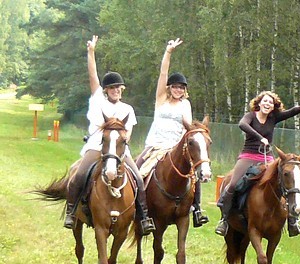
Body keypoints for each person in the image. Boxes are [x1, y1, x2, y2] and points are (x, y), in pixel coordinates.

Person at [64, 35, 155, 235]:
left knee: (138, 179)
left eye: (118, 88)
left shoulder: (127, 109)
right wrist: (91, 52)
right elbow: (92, 76)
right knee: (79, 175)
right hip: (97, 147)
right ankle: (71, 212)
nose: (116, 91)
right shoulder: (98, 100)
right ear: (106, 90)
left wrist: (123, 141)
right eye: (112, 88)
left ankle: (143, 217)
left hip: (120, 150)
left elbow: (128, 132)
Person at [134, 38, 208, 228]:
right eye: (175, 86)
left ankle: (197, 209)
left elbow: (188, 127)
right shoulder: (161, 100)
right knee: (136, 171)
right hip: (155, 145)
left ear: (185, 90)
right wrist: (168, 52)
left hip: (176, 146)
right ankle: (141, 214)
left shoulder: (186, 104)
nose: (178, 90)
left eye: (181, 87)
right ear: (169, 88)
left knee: (193, 175)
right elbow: (163, 73)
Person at [214, 90, 300, 237]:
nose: (267, 104)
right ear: (258, 103)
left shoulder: (273, 117)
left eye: (271, 102)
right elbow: (242, 125)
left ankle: (293, 223)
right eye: (265, 101)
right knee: (233, 184)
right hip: (248, 156)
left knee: (282, 183)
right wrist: (260, 138)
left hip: (266, 158)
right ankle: (224, 220)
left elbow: (289, 113)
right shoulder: (250, 116)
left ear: (273, 107)